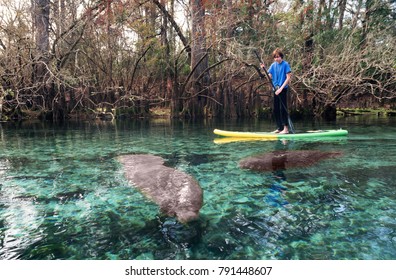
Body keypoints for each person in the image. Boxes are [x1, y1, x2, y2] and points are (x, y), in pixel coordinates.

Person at [261, 48, 292, 134]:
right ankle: (280, 128)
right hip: (275, 89)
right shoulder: (273, 65)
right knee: (276, 109)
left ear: (281, 57)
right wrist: (263, 69)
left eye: (278, 57)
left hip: (283, 89)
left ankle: (286, 129)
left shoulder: (285, 64)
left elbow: (288, 78)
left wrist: (281, 88)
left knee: (283, 109)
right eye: (275, 57)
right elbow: (269, 77)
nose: (276, 59)